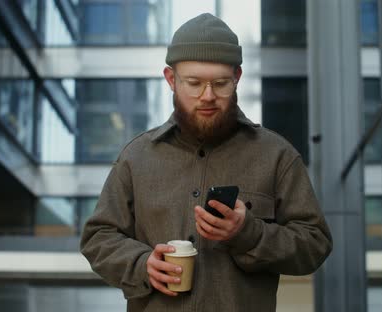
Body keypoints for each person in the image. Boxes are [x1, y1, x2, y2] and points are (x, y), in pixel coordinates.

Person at [80, 13, 332, 312]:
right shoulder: (136, 157)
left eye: (221, 83)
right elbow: (98, 238)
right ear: (171, 80)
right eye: (194, 83)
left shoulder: (277, 155)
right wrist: (141, 263)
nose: (208, 96)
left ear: (237, 78)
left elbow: (315, 244)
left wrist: (247, 234)